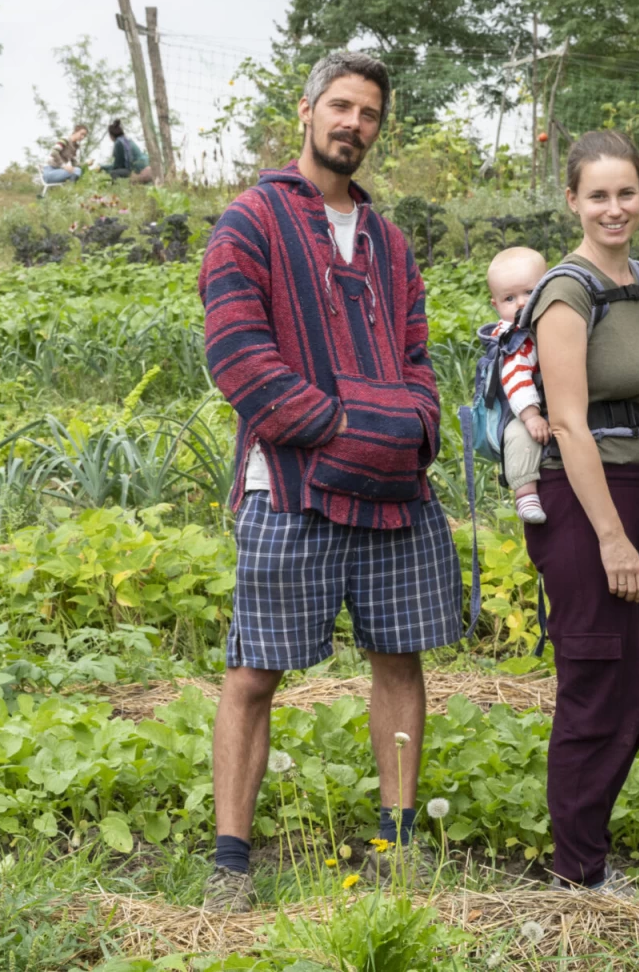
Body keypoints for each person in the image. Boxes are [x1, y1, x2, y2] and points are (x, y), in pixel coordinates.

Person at [198, 50, 459, 913]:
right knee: (253, 670)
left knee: (399, 656)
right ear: (305, 112)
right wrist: (339, 429)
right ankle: (230, 859)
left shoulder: (390, 242)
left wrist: (411, 427)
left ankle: (398, 838)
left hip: (396, 492)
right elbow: (237, 356)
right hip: (292, 487)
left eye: (370, 113)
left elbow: (418, 357)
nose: (354, 124)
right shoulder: (252, 221)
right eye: (340, 106)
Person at [526, 130, 639, 891]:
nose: (614, 207)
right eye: (597, 194)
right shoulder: (566, 292)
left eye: (626, 192)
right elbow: (567, 421)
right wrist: (612, 539)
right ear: (572, 200)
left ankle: (588, 854)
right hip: (586, 501)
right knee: (596, 685)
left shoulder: (638, 281)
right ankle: (577, 872)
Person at [483, 245, 550, 525]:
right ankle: (525, 494)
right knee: (520, 436)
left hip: (545, 402)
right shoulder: (515, 339)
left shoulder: (546, 324)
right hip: (518, 408)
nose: (521, 303)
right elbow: (516, 377)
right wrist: (531, 415)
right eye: (510, 298)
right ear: (496, 306)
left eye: (529, 292)